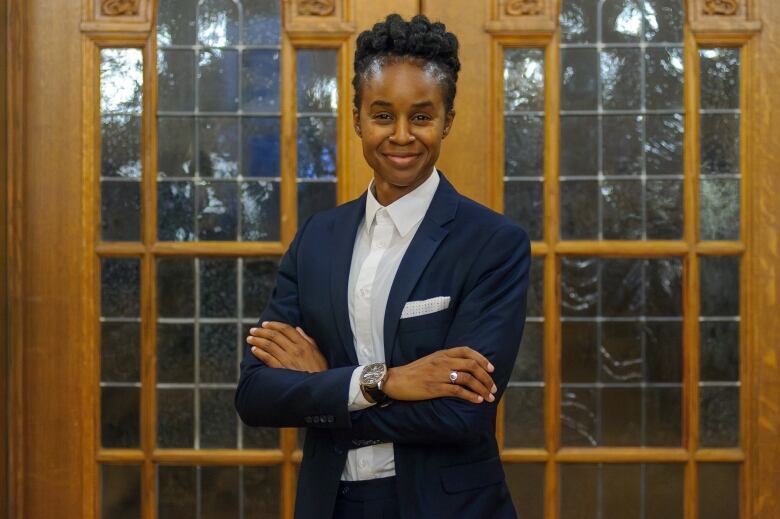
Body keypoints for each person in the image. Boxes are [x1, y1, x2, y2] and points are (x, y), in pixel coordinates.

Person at [235, 13, 531, 519]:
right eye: (381, 115)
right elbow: (257, 395)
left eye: (421, 117)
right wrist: (383, 381)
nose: (401, 136)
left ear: (446, 121)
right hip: (331, 505)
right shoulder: (316, 240)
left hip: (449, 508)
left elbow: (462, 413)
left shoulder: (493, 246)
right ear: (355, 118)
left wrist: (327, 388)